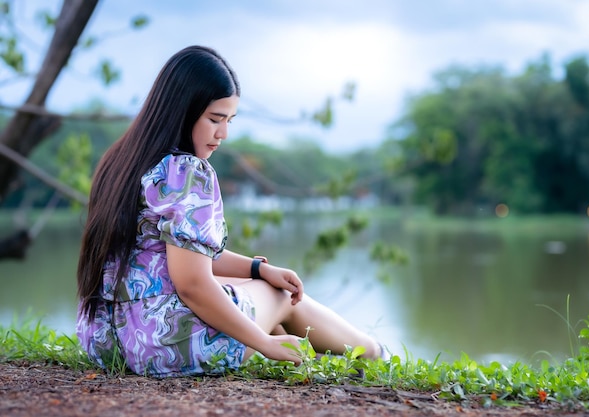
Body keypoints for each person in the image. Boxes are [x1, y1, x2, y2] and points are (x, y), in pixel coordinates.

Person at [76, 45, 386, 378]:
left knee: (253, 282)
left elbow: (178, 258)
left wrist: (257, 268)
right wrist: (264, 343)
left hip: (109, 341)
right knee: (278, 295)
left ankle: (315, 355)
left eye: (229, 121)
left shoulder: (120, 163)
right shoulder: (187, 172)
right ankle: (372, 353)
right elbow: (192, 284)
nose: (223, 134)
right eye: (214, 119)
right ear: (183, 110)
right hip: (166, 347)